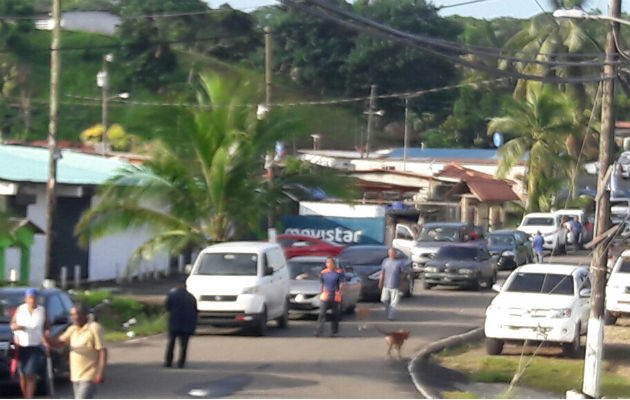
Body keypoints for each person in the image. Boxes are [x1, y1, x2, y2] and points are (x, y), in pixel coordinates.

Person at [44, 304, 107, 399]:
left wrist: (100, 372)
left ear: (85, 315)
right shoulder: (72, 329)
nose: (74, 317)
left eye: (76, 314)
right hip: (76, 374)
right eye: (71, 315)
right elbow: (58, 342)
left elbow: (102, 351)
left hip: (89, 374)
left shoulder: (94, 328)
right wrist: (45, 338)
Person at [10, 288, 48, 399]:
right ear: (26, 299)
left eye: (34, 298)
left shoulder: (42, 311)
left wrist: (46, 336)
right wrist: (16, 327)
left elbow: (47, 326)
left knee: (31, 374)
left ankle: (29, 397)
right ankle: (25, 396)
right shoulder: (20, 309)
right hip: (21, 346)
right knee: (22, 375)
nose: (32, 300)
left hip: (35, 346)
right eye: (30, 298)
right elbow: (12, 323)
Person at [164, 277, 197, 369]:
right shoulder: (191, 297)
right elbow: (195, 312)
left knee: (171, 343)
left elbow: (167, 307)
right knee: (184, 345)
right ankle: (181, 362)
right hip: (187, 324)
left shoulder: (173, 295)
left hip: (174, 322)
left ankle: (168, 362)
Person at [314, 257, 344, 337]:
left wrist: (340, 291)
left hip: (335, 296)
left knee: (335, 315)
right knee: (322, 314)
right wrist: (321, 293)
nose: (329, 264)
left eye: (330, 263)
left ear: (334, 264)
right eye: (327, 263)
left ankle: (334, 331)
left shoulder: (338, 273)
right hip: (325, 296)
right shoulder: (323, 273)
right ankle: (318, 331)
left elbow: (341, 283)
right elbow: (322, 284)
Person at [379, 248, 406, 321]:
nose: (391, 254)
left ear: (395, 254)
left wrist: (402, 282)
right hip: (386, 284)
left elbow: (403, 273)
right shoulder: (385, 261)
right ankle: (388, 311)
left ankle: (391, 316)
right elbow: (382, 272)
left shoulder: (399, 262)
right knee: (384, 299)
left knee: (394, 302)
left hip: (395, 284)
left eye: (392, 253)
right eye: (390, 253)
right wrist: (380, 282)